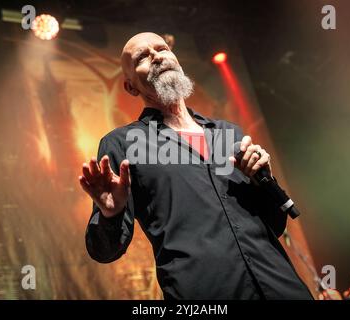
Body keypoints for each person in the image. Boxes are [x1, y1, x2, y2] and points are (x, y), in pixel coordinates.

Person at [79, 32, 313, 300]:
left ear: (176, 61)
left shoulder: (228, 134)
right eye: (143, 57)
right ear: (131, 87)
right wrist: (111, 215)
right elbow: (104, 251)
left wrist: (264, 183)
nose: (157, 56)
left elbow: (272, 225)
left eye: (162, 48)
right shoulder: (122, 144)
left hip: (281, 287)